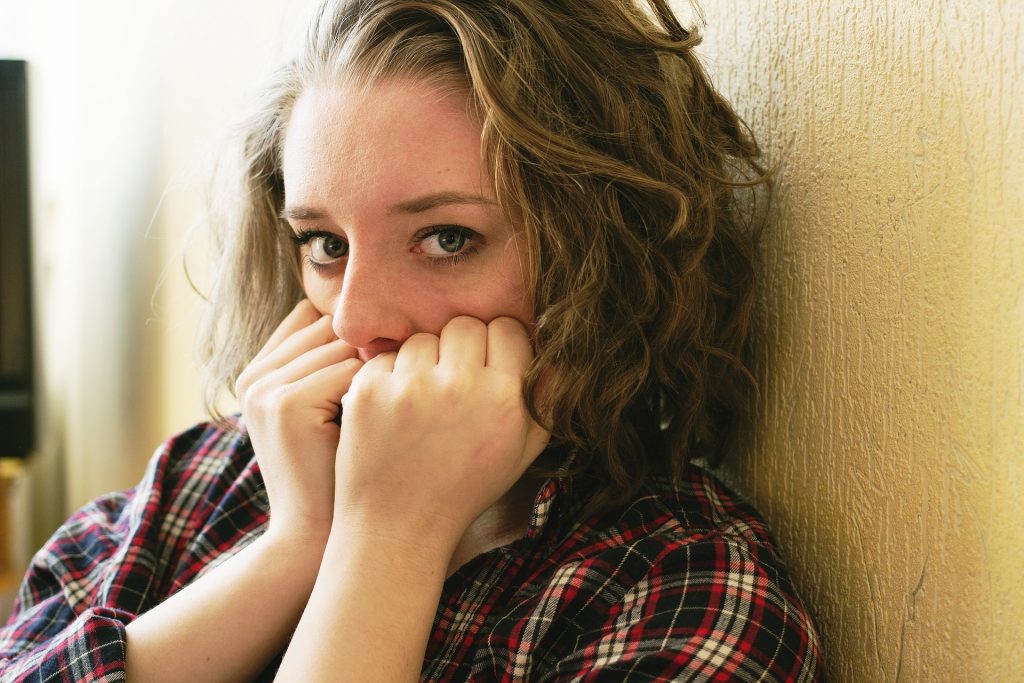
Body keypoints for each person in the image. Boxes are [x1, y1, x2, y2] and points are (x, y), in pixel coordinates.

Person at [0, 0, 824, 680]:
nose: (356, 320)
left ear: (607, 251)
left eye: (447, 238)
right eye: (324, 243)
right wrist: (296, 545)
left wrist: (387, 539)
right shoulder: (205, 482)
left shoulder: (678, 584)